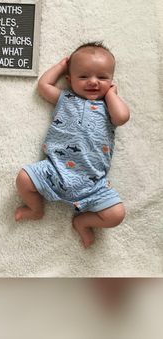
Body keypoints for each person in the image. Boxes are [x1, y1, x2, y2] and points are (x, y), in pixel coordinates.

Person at [15, 41, 130, 247]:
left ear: (112, 81)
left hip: (93, 183)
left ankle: (83, 222)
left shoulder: (108, 107)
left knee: (117, 215)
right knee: (23, 178)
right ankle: (35, 209)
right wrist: (61, 66)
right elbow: (44, 86)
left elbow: (122, 118)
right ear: (69, 79)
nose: (93, 82)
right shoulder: (65, 98)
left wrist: (112, 94)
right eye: (83, 76)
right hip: (55, 171)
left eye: (102, 78)